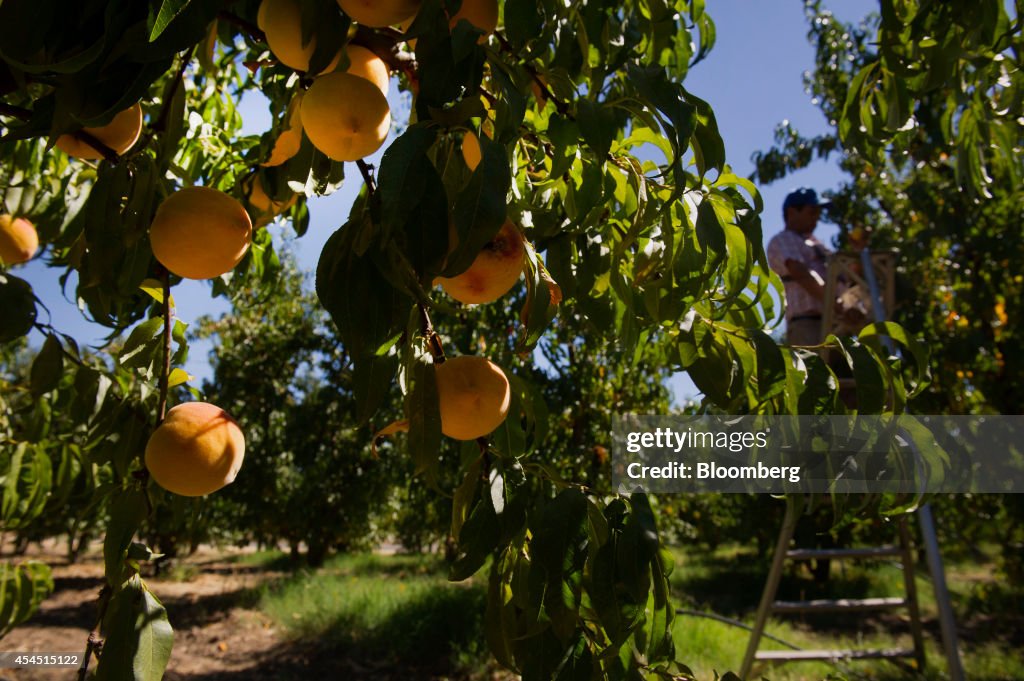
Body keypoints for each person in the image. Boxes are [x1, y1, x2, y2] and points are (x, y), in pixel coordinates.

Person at [767, 188, 833, 346]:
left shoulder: (816, 244)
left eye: (818, 213)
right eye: (812, 212)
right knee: (814, 369)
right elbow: (801, 273)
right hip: (807, 323)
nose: (817, 218)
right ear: (792, 212)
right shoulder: (783, 239)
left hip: (832, 321)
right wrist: (835, 304)